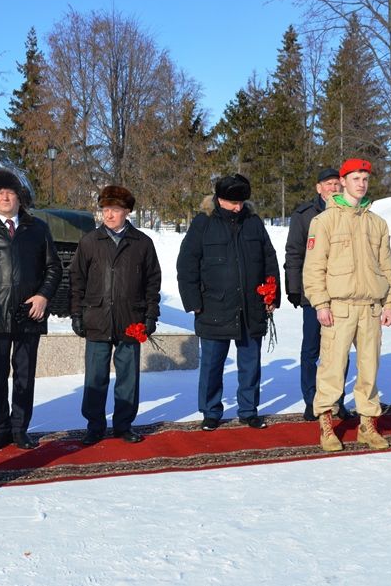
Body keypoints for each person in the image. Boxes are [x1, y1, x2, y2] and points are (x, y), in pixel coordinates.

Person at [303, 158, 391, 452]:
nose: (361, 183)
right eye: (355, 178)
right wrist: (320, 303)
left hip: (370, 306)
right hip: (339, 307)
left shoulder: (377, 223)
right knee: (332, 367)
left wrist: (390, 302)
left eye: (365, 178)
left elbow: (387, 267)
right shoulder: (325, 221)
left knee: (369, 368)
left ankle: (367, 425)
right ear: (342, 182)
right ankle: (327, 425)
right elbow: (314, 267)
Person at [0, 169, 62, 451]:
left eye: (11, 192)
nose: (5, 196)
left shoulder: (38, 228)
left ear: (20, 198)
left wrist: (43, 297)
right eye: (0, 193)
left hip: (29, 313)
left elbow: (54, 267)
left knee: (24, 373)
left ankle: (20, 428)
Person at [176, 173, 280, 431]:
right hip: (213, 305)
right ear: (219, 199)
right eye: (233, 202)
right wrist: (193, 301)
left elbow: (269, 259)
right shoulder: (203, 223)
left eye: (241, 202)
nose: (238, 207)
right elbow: (187, 263)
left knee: (250, 363)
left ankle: (248, 409)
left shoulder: (254, 223)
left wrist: (271, 294)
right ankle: (211, 411)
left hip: (251, 305)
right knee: (212, 365)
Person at [70, 185, 162, 445]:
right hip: (97, 319)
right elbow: (77, 280)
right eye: (105, 210)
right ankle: (94, 425)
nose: (109, 215)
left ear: (127, 211)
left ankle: (124, 425)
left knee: (128, 378)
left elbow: (152, 282)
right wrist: (77, 314)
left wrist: (150, 316)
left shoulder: (142, 243)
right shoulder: (89, 241)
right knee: (96, 377)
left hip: (130, 319)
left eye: (115, 210)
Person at [284, 167, 352, 421]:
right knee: (311, 349)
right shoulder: (304, 215)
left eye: (337, 184)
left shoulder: (349, 213)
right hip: (313, 294)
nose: (333, 188)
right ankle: (312, 400)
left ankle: (336, 400)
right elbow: (294, 253)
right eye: (328, 184)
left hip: (342, 293)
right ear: (318, 188)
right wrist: (293, 288)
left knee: (339, 350)